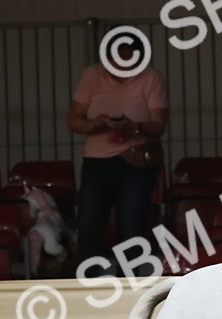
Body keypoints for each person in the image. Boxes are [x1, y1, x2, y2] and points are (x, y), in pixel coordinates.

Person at [67, 41, 168, 267]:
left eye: (128, 59)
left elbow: (159, 124)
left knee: (132, 227)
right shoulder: (93, 75)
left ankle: (128, 286)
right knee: (89, 224)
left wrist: (134, 127)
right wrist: (96, 124)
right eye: (116, 59)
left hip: (135, 160)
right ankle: (86, 281)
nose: (122, 66)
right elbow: (74, 121)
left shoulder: (150, 78)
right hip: (96, 162)